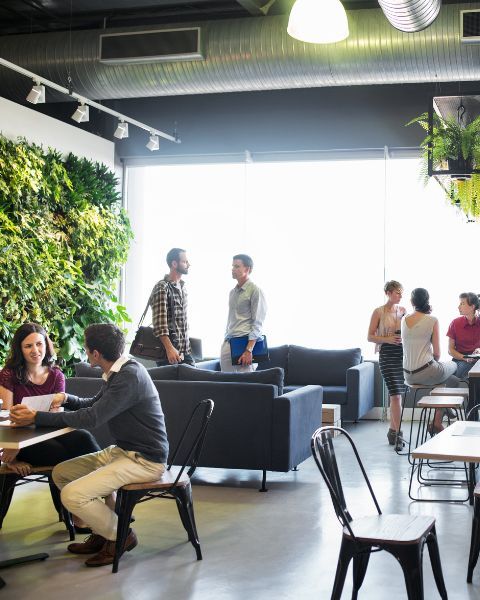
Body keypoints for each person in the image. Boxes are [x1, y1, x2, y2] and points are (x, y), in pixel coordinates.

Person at [10, 323, 168, 568]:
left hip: (144, 460)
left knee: (72, 494)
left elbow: (93, 418)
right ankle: (103, 532)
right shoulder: (119, 371)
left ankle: (120, 535)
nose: (85, 352)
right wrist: (67, 399)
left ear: (95, 354)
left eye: (86, 348)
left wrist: (36, 417)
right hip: (124, 452)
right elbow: (95, 404)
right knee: (62, 473)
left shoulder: (128, 376)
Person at [0, 323, 101, 477]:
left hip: (49, 431)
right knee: (59, 454)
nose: (35, 350)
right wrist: (12, 456)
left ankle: (107, 486)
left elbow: (56, 414)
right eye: (28, 346)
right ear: (20, 349)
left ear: (46, 345)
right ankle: (88, 487)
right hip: (21, 438)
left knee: (84, 437)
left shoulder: (56, 375)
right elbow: (6, 416)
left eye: (39, 344)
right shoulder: (9, 374)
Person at [401, 288, 459, 434]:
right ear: (427, 300)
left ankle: (441, 415)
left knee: (448, 380)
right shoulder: (432, 320)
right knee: (453, 365)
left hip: (408, 375)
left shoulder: (403, 319)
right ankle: (439, 418)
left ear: (412, 302)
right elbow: (438, 354)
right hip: (426, 371)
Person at [367, 281, 406, 450]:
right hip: (386, 355)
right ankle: (398, 434)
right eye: (397, 292)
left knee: (398, 395)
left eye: (401, 293)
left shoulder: (403, 311)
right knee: (395, 395)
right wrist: (387, 339)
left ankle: (393, 430)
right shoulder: (378, 312)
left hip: (402, 355)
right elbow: (369, 337)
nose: (400, 296)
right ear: (388, 293)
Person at [221, 254, 267, 372]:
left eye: (237, 266)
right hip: (229, 343)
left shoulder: (255, 291)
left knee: (245, 387)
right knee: (225, 386)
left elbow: (258, 323)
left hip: (244, 346)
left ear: (247, 269)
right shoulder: (232, 292)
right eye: (233, 266)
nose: (233, 269)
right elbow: (230, 319)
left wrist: (249, 350)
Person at [150, 247, 194, 366]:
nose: (188, 264)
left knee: (194, 381)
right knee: (170, 385)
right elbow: (160, 323)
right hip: (168, 353)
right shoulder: (162, 287)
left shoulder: (182, 287)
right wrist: (169, 349)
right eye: (185, 261)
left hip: (184, 351)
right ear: (174, 264)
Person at [447, 292, 480, 381]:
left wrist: (479, 350)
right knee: (467, 369)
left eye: (462, 303)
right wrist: (465, 358)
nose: (459, 307)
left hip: (478, 360)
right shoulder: (455, 323)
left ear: (472, 307)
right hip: (460, 360)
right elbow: (450, 350)